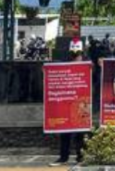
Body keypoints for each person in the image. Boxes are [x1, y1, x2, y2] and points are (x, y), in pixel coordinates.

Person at [50, 38, 87, 166]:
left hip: (82, 102)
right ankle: (63, 157)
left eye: (78, 49)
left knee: (80, 132)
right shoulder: (64, 63)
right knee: (65, 131)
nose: (76, 52)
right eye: (73, 49)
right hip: (67, 101)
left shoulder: (88, 64)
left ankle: (80, 157)